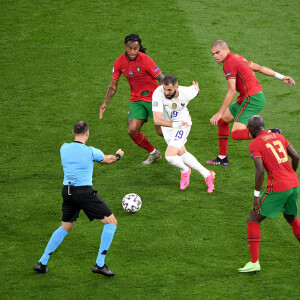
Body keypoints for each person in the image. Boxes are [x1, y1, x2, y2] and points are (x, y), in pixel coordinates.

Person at [34, 121, 124, 277]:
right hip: (84, 193)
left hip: (67, 192)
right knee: (111, 223)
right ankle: (100, 264)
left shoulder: (64, 148)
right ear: (87, 133)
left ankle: (42, 262)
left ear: (73, 132)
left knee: (65, 227)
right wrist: (118, 155)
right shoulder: (90, 151)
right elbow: (108, 159)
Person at [207, 40, 296, 166]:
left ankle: (270, 133)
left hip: (251, 99)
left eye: (218, 52)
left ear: (226, 50)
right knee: (223, 120)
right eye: (213, 54)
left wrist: (219, 112)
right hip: (249, 97)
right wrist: (281, 77)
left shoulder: (229, 64)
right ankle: (222, 158)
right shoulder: (239, 58)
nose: (215, 56)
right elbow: (259, 68)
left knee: (236, 134)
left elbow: (231, 91)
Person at [238, 115, 300, 273]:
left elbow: (260, 171)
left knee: (253, 218)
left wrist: (256, 195)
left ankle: (254, 263)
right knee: (291, 217)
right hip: (294, 184)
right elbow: (296, 156)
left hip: (278, 187)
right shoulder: (279, 136)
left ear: (251, 129)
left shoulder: (255, 144)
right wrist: (291, 174)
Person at [99, 33, 165, 165]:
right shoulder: (119, 62)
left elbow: (162, 78)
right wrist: (105, 103)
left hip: (154, 97)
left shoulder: (145, 60)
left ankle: (181, 151)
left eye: (135, 48)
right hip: (136, 100)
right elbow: (113, 85)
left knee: (161, 131)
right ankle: (154, 153)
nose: (133, 51)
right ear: (125, 47)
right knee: (132, 130)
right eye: (130, 48)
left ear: (139, 47)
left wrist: (171, 94)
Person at [152, 74, 215, 192]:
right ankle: (207, 174)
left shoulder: (186, 92)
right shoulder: (158, 93)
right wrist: (174, 124)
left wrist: (196, 89)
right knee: (181, 153)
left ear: (177, 87)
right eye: (165, 89)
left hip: (183, 125)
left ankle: (184, 170)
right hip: (168, 126)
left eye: (169, 90)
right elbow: (157, 120)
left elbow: (196, 90)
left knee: (170, 156)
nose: (166, 93)